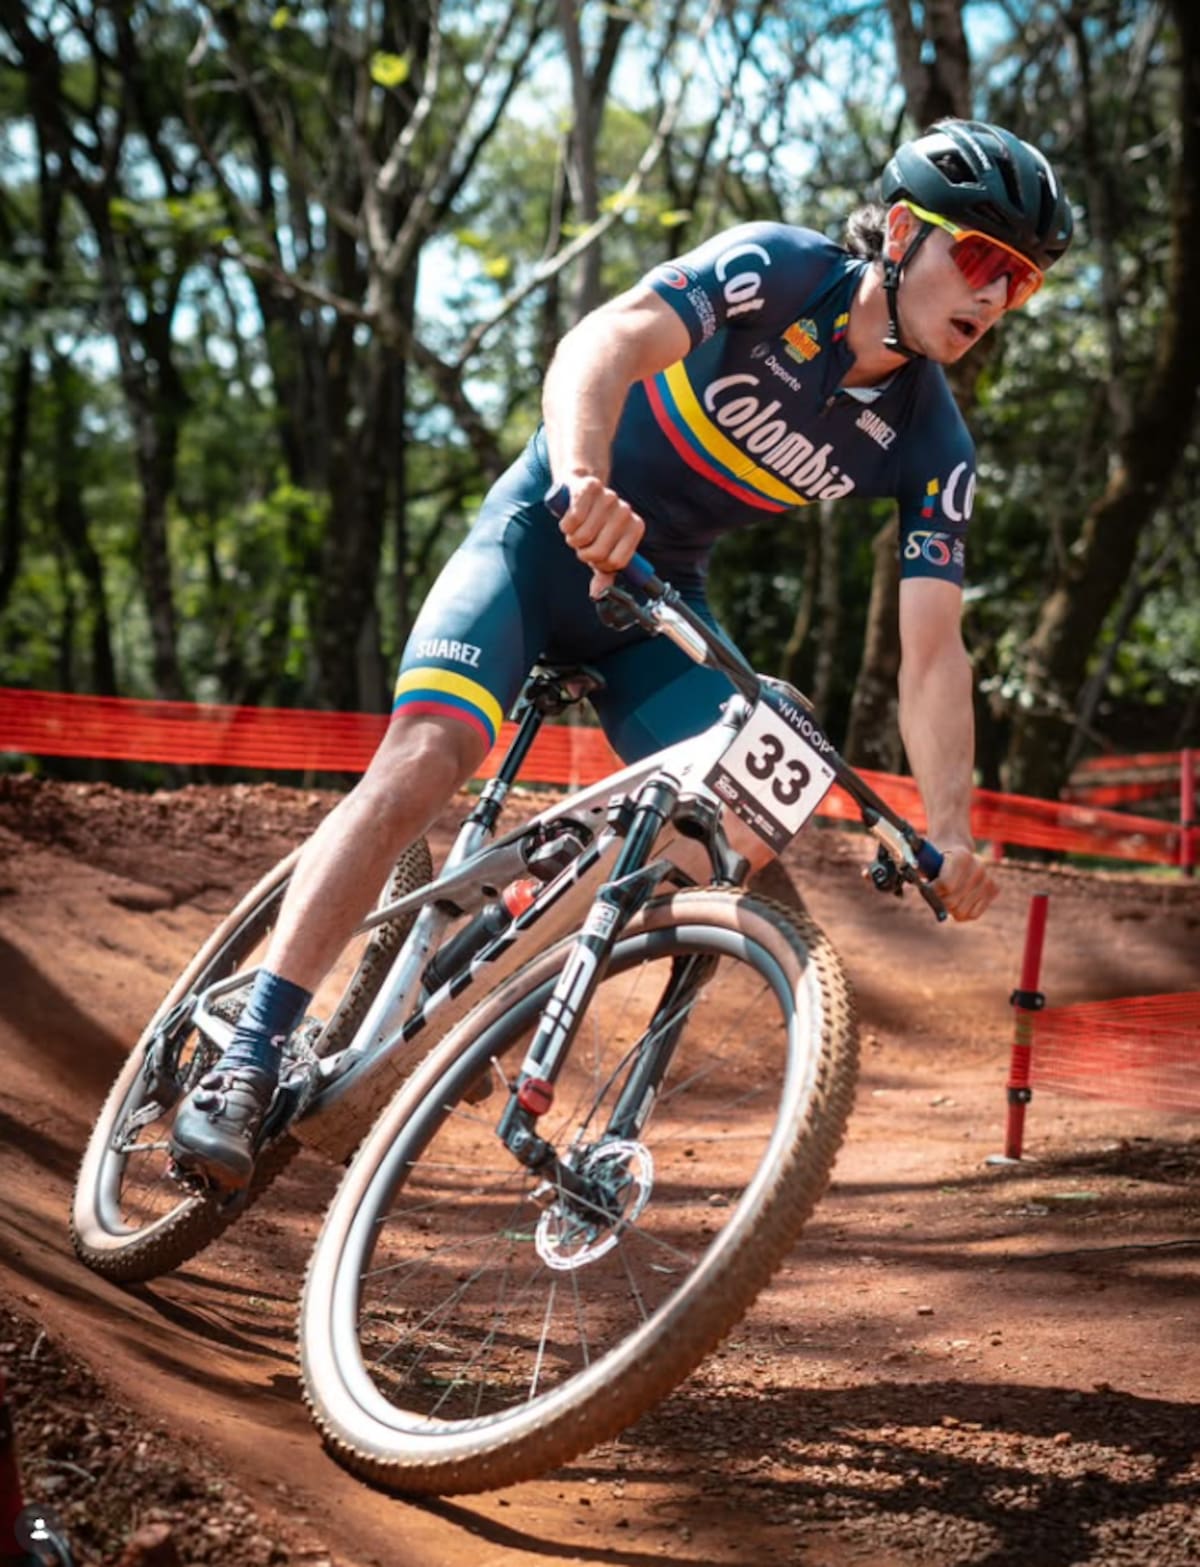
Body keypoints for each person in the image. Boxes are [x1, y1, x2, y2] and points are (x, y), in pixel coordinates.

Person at [169, 118, 1074, 1191]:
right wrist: (584, 483)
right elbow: (601, 340)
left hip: (652, 602)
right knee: (426, 759)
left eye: (1018, 283)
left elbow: (933, 651)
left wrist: (952, 828)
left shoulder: (932, 442)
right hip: (543, 538)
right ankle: (250, 1050)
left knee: (739, 813)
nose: (993, 297)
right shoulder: (781, 271)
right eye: (979, 259)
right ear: (897, 231)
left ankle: (483, 996)